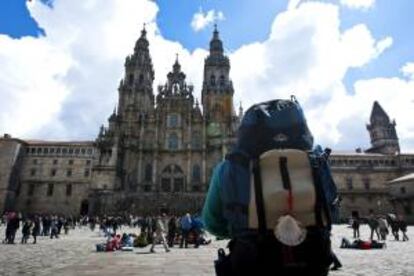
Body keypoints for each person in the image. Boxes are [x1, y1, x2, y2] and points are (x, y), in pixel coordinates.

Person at [203, 98, 338, 276]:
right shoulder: (317, 163)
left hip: (252, 263)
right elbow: (332, 213)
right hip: (312, 263)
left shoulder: (229, 168)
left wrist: (242, 227)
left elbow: (212, 223)